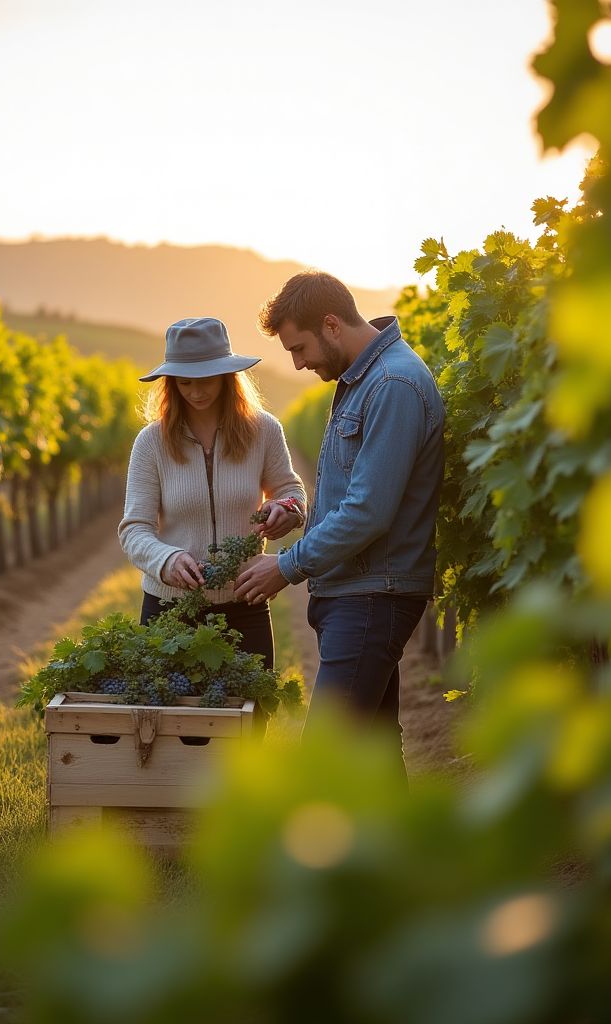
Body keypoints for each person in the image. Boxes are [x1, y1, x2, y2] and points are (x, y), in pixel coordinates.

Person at [234, 271, 445, 775]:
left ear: (331, 324)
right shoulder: (364, 379)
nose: (299, 362)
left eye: (300, 347)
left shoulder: (392, 384)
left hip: (373, 595)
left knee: (320, 764)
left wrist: (286, 567)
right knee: (374, 755)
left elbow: (369, 510)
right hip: (360, 591)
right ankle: (396, 855)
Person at [119, 316, 306, 669]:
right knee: (172, 722)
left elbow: (290, 489)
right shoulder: (151, 443)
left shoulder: (264, 430)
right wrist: (166, 561)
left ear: (227, 376)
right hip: (170, 610)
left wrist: (289, 508)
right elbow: (134, 530)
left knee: (250, 718)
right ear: (171, 384)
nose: (196, 391)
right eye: (185, 382)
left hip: (245, 603)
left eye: (205, 380)